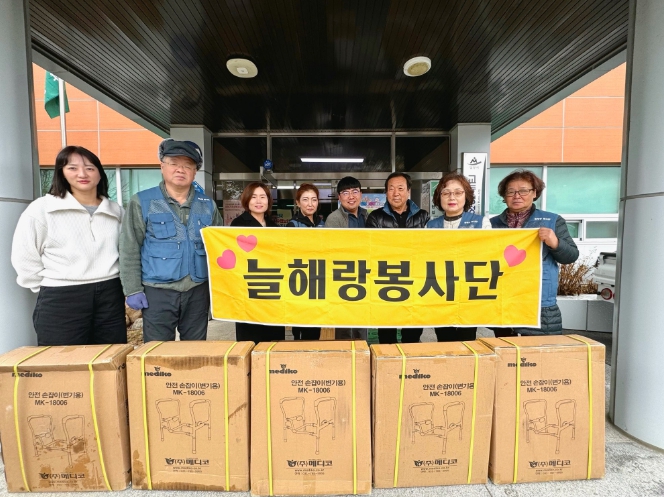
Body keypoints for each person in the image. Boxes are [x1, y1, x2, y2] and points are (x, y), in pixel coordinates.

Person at [11, 146, 126, 345]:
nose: (82, 174)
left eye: (90, 168)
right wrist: (48, 285)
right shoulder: (42, 209)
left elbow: (125, 251)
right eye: (72, 168)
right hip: (62, 295)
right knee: (62, 358)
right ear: (61, 173)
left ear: (100, 174)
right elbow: (25, 256)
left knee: (109, 356)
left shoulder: (115, 210)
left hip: (110, 293)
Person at [120, 139, 222, 342]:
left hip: (197, 290)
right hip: (158, 292)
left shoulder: (207, 205)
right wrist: (132, 289)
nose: (180, 170)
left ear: (195, 172)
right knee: (157, 350)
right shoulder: (142, 201)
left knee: (195, 349)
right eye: (174, 163)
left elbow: (219, 248)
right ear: (162, 167)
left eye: (188, 165)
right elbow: (129, 247)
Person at [491, 169, 579, 335]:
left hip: (540, 302)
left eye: (523, 191)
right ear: (504, 196)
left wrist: (555, 243)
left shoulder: (552, 221)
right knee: (505, 348)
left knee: (539, 349)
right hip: (504, 299)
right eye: (510, 191)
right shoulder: (492, 225)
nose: (517, 196)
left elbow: (571, 256)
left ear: (535, 193)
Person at [426, 172, 491, 342]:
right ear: (439, 197)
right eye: (446, 193)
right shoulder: (430, 226)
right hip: (440, 291)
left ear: (466, 195)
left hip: (468, 291)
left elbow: (489, 255)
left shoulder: (481, 223)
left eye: (458, 192)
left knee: (467, 340)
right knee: (443, 339)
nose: (451, 197)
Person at [366, 172, 429, 344]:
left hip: (415, 280)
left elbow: (428, 248)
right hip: (386, 280)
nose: (396, 193)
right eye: (391, 189)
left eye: (400, 188)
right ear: (386, 192)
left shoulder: (423, 216)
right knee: (386, 334)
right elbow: (372, 249)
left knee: (412, 334)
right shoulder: (375, 217)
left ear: (408, 191)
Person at [231, 182, 286, 343]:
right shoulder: (238, 224)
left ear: (268, 200)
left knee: (273, 337)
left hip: (272, 286)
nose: (259, 201)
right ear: (247, 200)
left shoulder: (274, 226)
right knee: (250, 336)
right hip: (248, 287)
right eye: (254, 197)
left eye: (263, 197)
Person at [324, 176, 369, 340]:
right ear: (339, 197)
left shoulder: (366, 215)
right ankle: (344, 352)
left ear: (361, 194)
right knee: (343, 322)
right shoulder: (334, 219)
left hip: (364, 275)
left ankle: (362, 350)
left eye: (355, 191)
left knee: (362, 320)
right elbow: (331, 249)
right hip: (343, 275)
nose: (351, 196)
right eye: (345, 193)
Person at [286, 184, 322, 340]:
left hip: (318, 280)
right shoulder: (293, 225)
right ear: (298, 203)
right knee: (301, 326)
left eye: (314, 199)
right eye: (305, 200)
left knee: (315, 325)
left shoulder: (322, 224)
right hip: (300, 281)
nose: (310, 204)